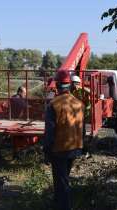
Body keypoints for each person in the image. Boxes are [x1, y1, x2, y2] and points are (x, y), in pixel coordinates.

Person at [43, 70, 84, 210]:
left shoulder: (53, 104)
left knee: (62, 183)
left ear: (57, 85)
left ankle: (64, 206)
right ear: (70, 84)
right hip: (75, 147)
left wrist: (46, 150)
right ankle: (57, 203)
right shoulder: (79, 103)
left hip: (60, 149)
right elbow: (82, 128)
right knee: (63, 178)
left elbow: (50, 130)